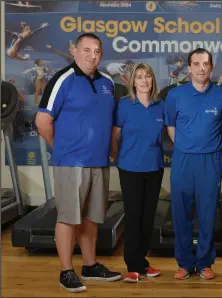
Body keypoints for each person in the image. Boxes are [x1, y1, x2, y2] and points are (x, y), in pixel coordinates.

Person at [35, 33, 121, 293]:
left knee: (91, 218)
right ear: (75, 51)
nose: (92, 55)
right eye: (86, 49)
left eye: (97, 51)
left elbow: (110, 122)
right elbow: (42, 122)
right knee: (69, 217)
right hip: (71, 162)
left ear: (101, 55)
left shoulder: (107, 82)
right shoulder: (62, 79)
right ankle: (66, 271)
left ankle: (90, 265)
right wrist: (62, 149)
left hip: (99, 162)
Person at [164, 48, 222, 280]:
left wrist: (207, 145)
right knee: (181, 213)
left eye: (205, 64)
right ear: (189, 67)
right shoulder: (176, 95)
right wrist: (187, 146)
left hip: (210, 160)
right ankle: (184, 263)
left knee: (207, 214)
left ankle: (205, 263)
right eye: (196, 64)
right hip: (183, 159)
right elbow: (171, 127)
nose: (201, 68)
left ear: (211, 67)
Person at [110, 63, 164, 283]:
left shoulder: (161, 106)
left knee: (148, 217)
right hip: (130, 168)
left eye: (147, 77)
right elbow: (114, 136)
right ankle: (132, 266)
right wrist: (116, 158)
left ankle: (142, 262)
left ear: (153, 80)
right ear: (132, 81)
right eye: (139, 77)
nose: (143, 81)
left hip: (155, 168)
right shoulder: (124, 105)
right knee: (133, 217)